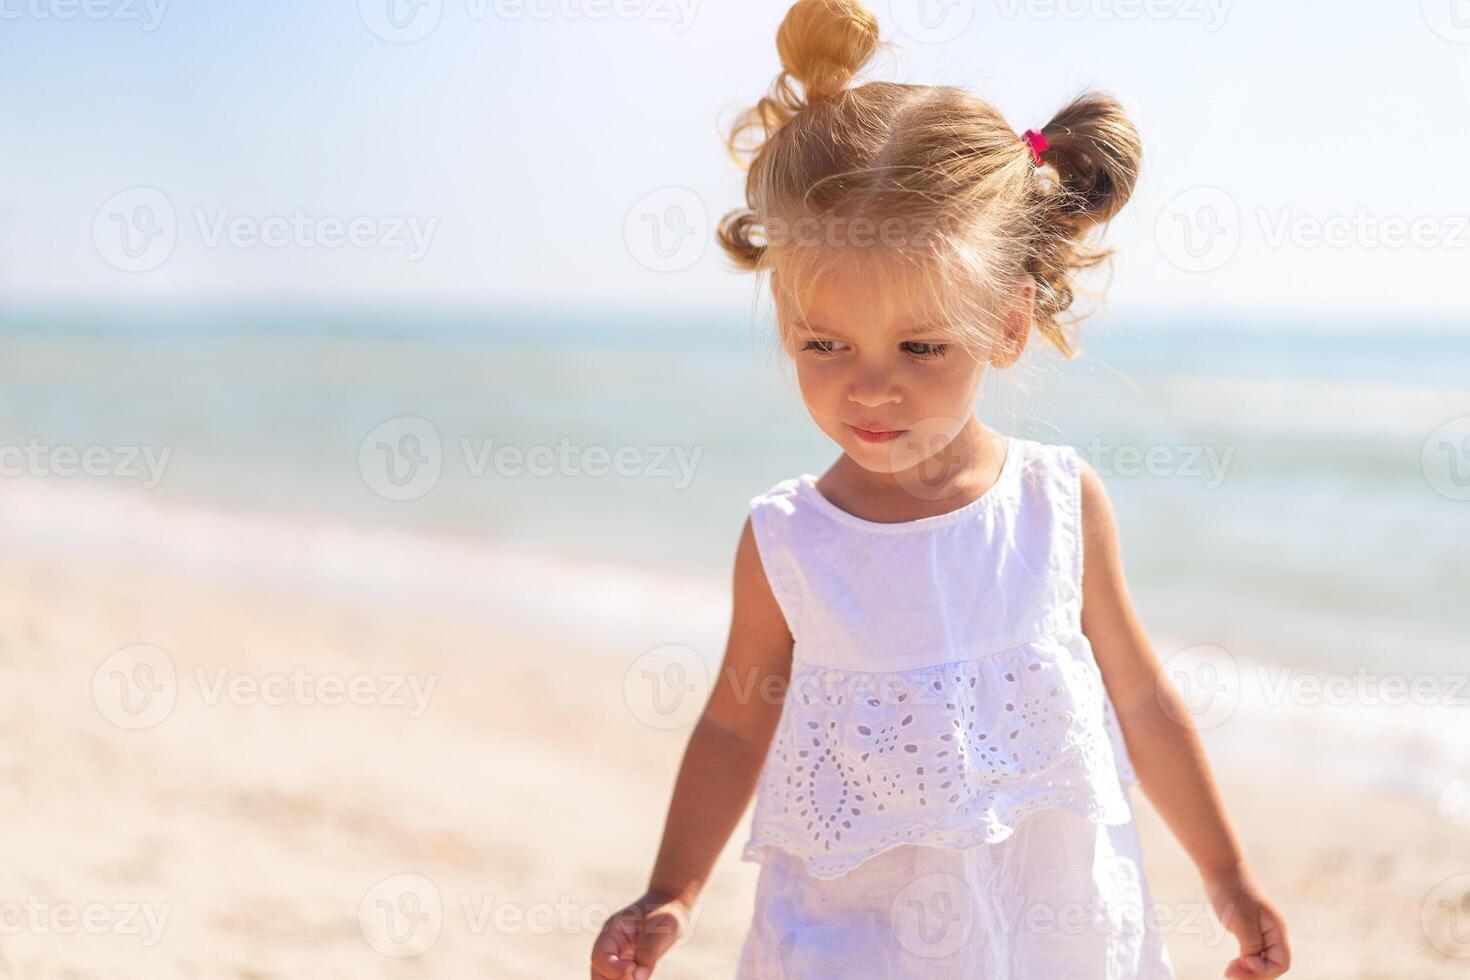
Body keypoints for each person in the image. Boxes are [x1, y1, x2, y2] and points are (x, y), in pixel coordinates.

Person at [591, 1, 1291, 976]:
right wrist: (672, 889)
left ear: (1007, 325)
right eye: (822, 343)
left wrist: (1228, 873)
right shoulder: (792, 537)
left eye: (922, 346)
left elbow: (1141, 696)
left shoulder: (1058, 504)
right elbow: (733, 717)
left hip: (1048, 927)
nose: (871, 385)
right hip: (854, 937)